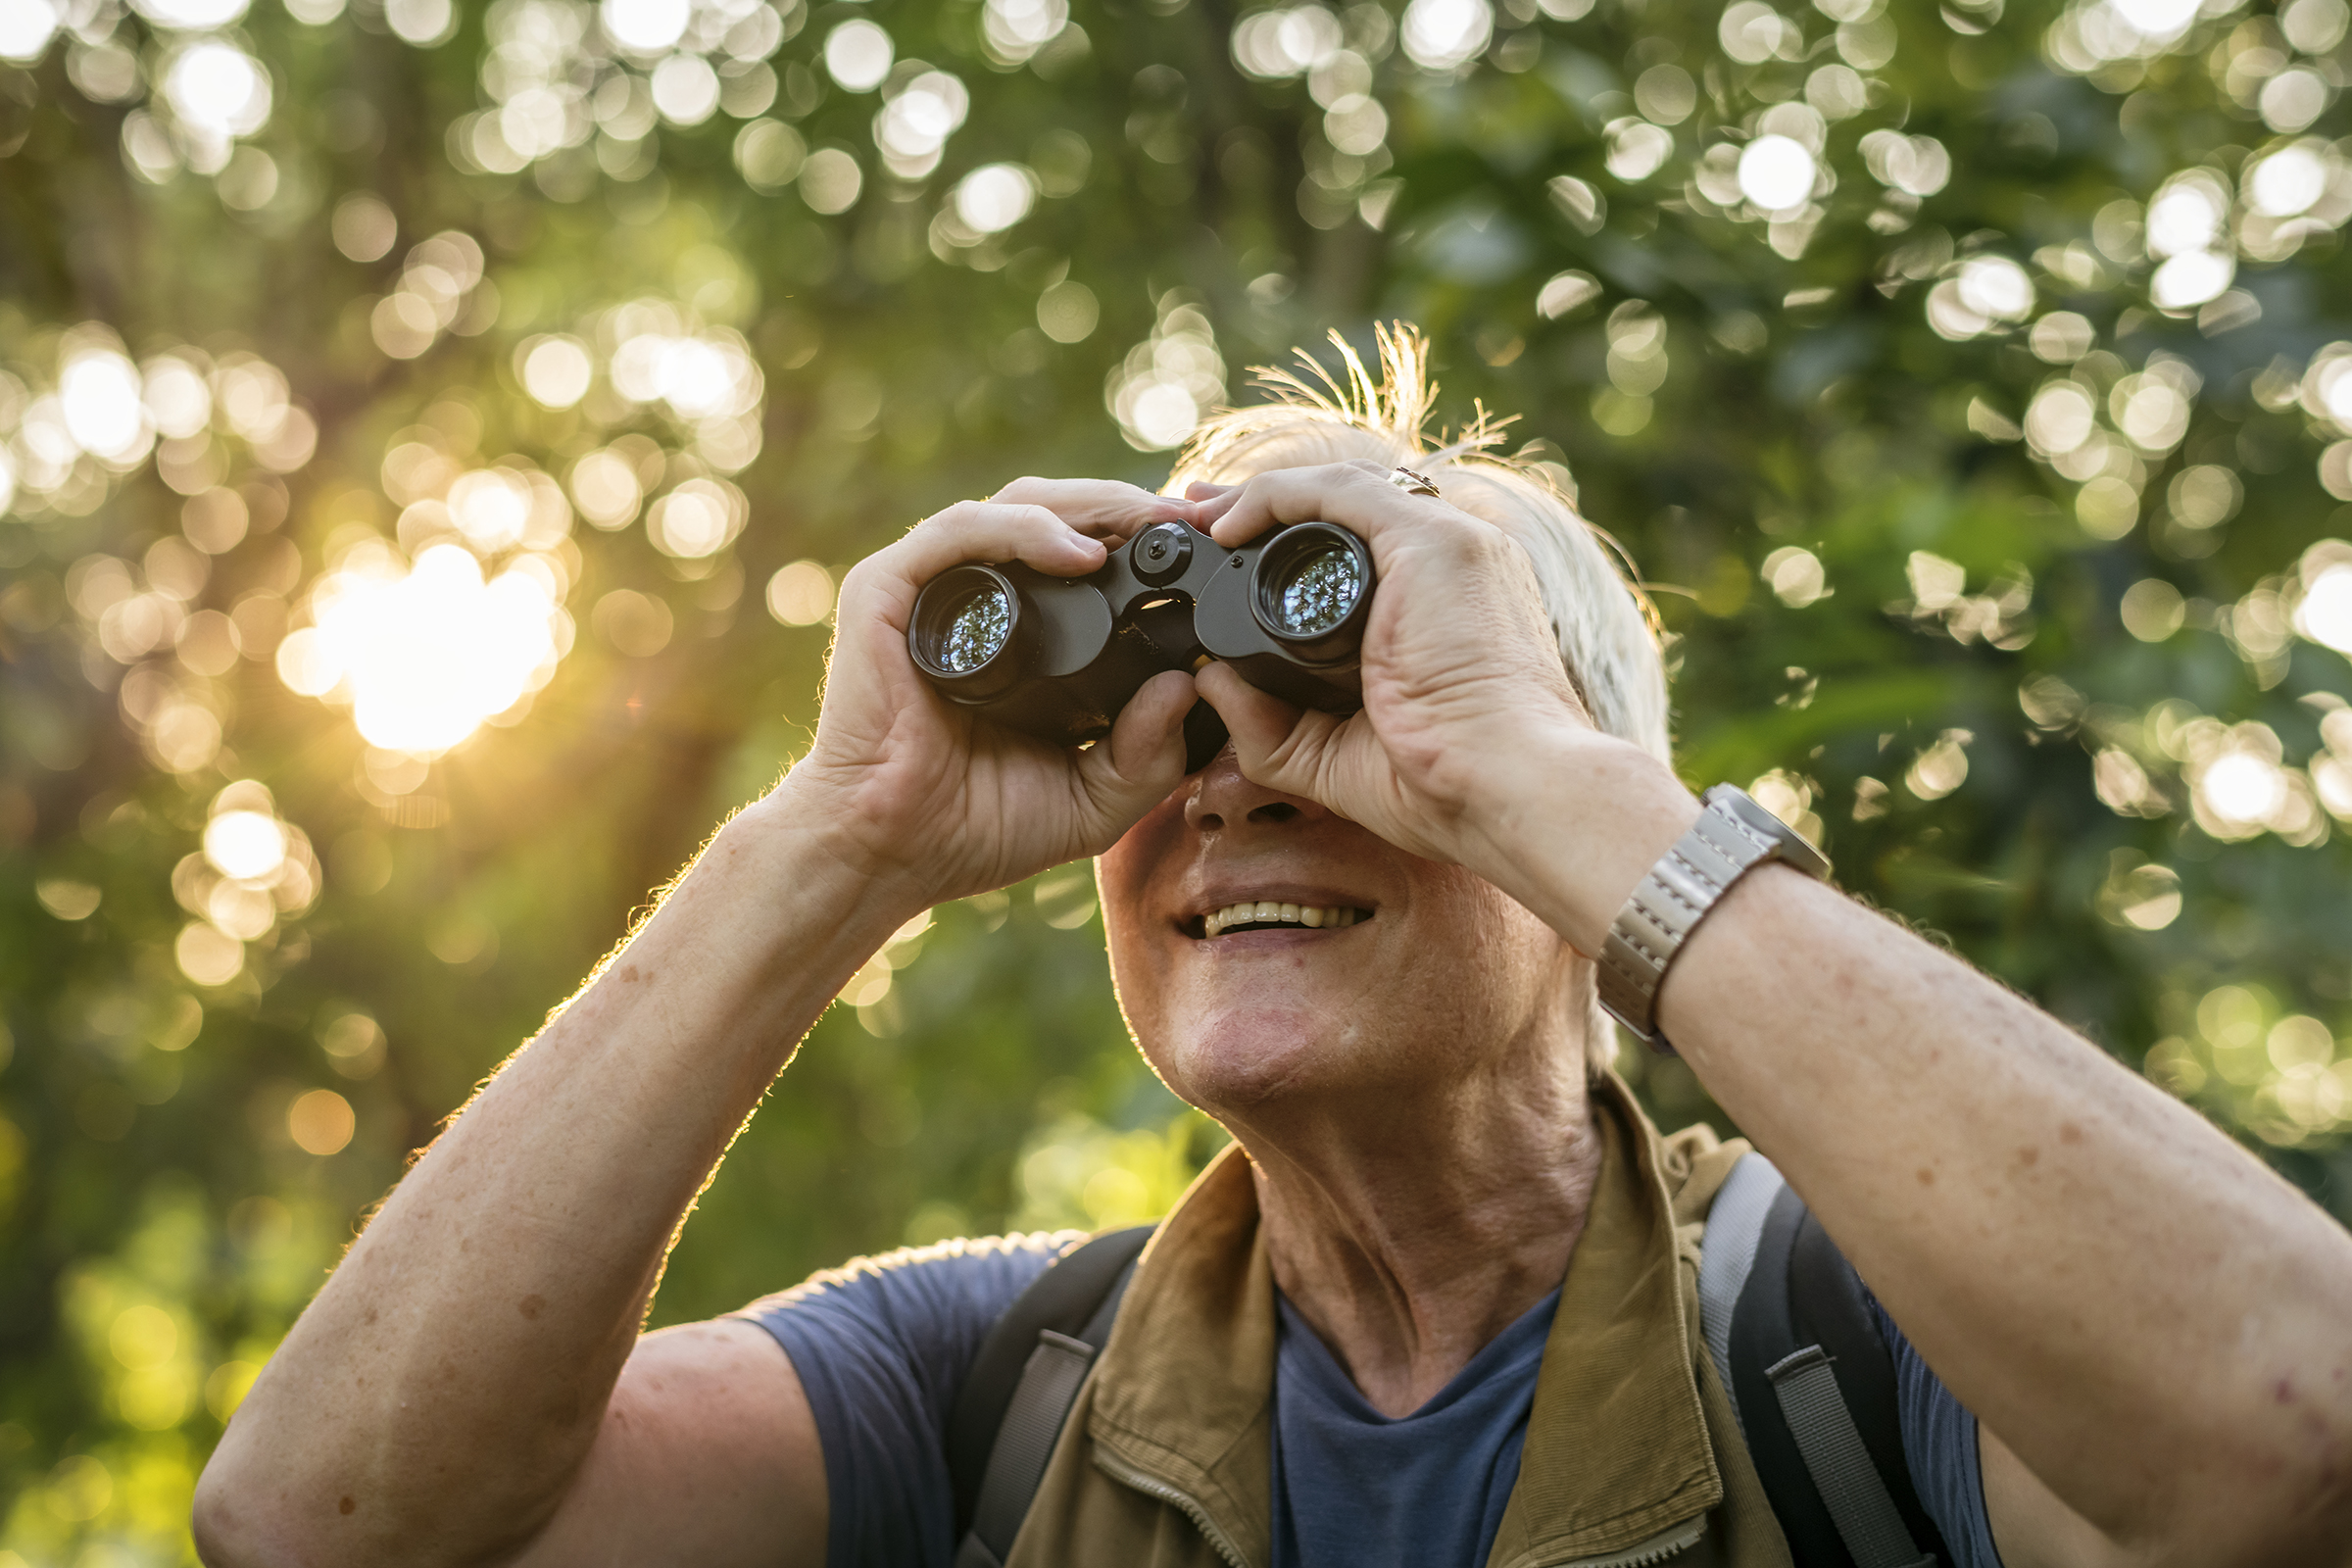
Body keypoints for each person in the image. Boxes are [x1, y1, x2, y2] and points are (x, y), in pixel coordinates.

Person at [192, 329, 2352, 1568]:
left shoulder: (1848, 1336)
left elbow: (2296, 1421)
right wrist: (833, 837)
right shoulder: (987, 1393)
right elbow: (319, 1525)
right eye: (1172, 736)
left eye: (1339, 716)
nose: (1223, 786)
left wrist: (1543, 783)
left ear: (1552, 793)